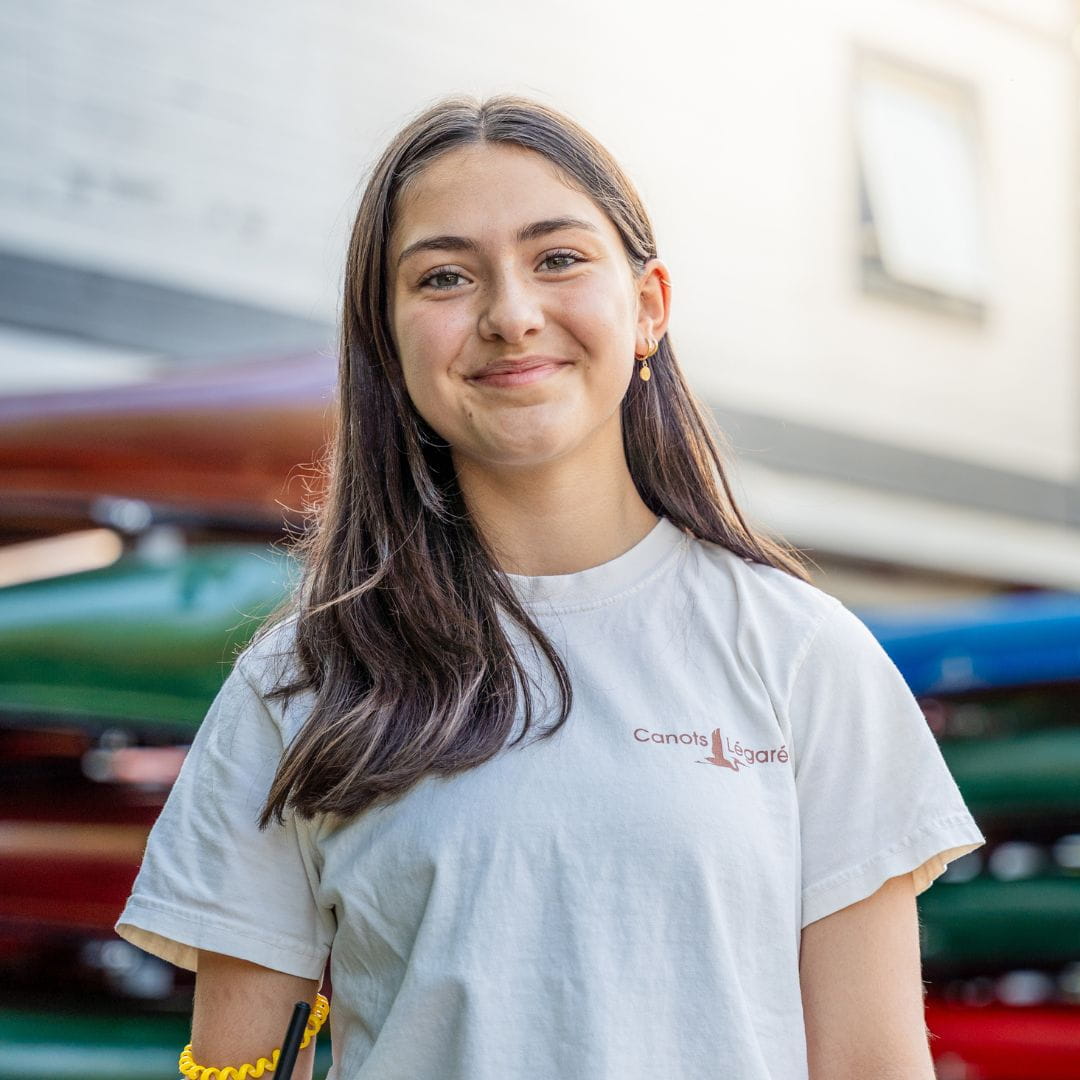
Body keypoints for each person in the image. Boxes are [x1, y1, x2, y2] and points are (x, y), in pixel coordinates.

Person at [115, 94, 986, 1080]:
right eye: (445, 276)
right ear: (389, 346)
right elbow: (237, 1066)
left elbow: (873, 1065)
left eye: (558, 258)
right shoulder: (302, 681)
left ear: (649, 305)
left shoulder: (802, 655)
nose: (510, 314)